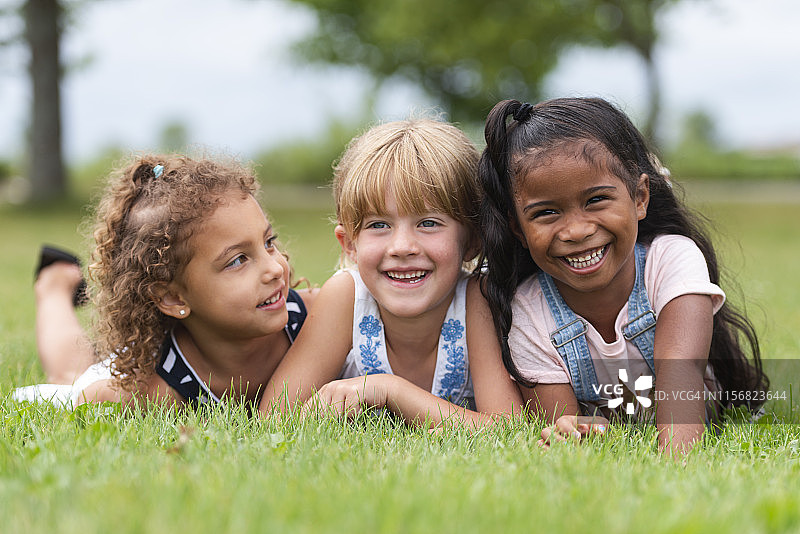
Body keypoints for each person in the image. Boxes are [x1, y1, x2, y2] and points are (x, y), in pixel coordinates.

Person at [477, 97, 768, 454]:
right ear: (518, 230)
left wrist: (676, 469)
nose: (577, 230)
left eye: (596, 200)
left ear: (640, 196)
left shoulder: (671, 258)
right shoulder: (527, 309)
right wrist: (573, 433)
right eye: (546, 213)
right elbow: (559, 425)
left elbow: (682, 372)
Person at [260, 118, 522, 427]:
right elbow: (274, 416)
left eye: (428, 223)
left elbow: (508, 428)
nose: (402, 247)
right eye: (379, 225)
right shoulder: (347, 296)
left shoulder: (475, 301)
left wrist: (390, 390)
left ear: (473, 241)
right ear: (350, 245)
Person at [14, 154, 314, 409]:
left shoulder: (318, 316)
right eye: (237, 260)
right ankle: (55, 283)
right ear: (173, 298)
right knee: (69, 377)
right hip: (145, 358)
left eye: (269, 242)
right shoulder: (146, 389)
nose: (274, 268)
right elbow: (90, 400)